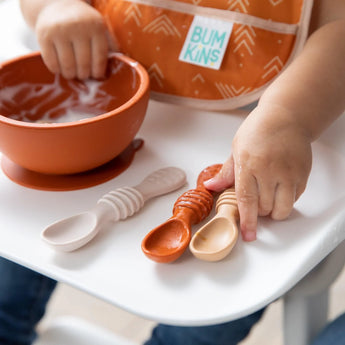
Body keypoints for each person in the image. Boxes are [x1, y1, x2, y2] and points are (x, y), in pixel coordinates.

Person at [0, 0, 343, 344]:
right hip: (94, 115)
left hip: (252, 144)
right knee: (15, 249)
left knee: (209, 300)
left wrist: (287, 117)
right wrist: (52, 8)